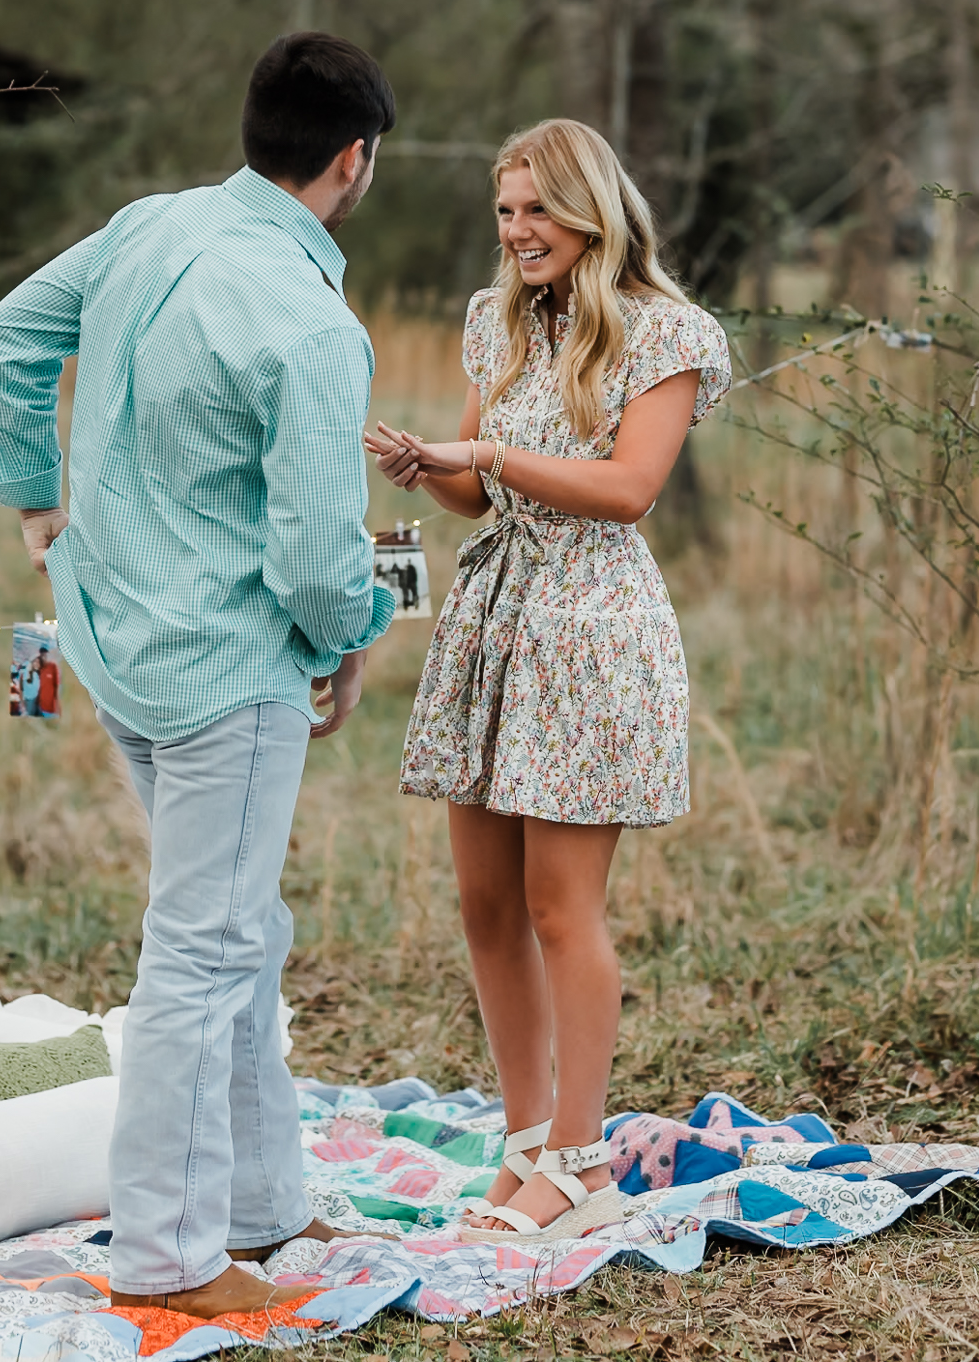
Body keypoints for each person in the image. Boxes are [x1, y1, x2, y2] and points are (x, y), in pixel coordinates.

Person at [0, 32, 397, 1317]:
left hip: (115, 642)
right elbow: (321, 564)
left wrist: (35, 505)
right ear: (352, 161)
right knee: (203, 955)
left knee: (237, 934)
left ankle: (262, 1204)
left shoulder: (148, 225)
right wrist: (351, 636)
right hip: (226, 671)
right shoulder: (314, 327)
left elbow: (4, 340)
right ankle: (166, 1259)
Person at [365, 118, 731, 1246]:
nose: (516, 232)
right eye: (505, 212)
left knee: (555, 905)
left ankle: (581, 1159)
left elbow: (626, 488)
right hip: (493, 617)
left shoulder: (665, 330)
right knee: (483, 905)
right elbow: (479, 495)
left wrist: (484, 457)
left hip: (590, 626)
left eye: (535, 210)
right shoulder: (497, 321)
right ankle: (524, 1141)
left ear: (589, 212)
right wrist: (433, 469)